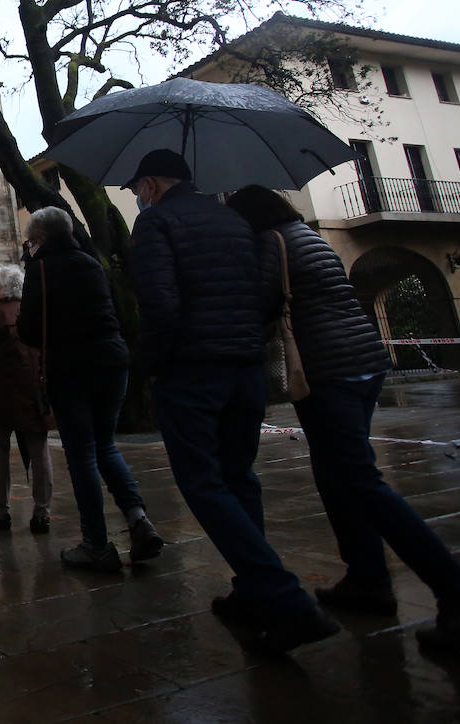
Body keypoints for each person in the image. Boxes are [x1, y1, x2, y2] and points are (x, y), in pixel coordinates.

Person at [228, 184, 460, 652]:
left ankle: (458, 592)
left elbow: (257, 306)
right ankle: (367, 579)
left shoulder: (270, 243)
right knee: (337, 474)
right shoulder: (308, 236)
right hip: (363, 362)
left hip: (328, 370)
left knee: (360, 481)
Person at [126, 150, 336, 654]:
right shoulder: (236, 220)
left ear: (151, 184)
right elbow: (264, 294)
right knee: (239, 477)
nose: (136, 197)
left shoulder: (155, 224)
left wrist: (153, 364)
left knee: (203, 483)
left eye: (137, 189)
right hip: (246, 367)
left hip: (192, 369)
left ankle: (287, 600)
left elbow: (159, 303)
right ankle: (251, 590)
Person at [19, 207, 161, 570]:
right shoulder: (90, 261)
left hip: (71, 369)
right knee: (105, 445)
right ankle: (138, 519)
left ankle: (96, 543)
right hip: (112, 362)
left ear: (42, 239)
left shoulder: (41, 269)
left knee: (81, 454)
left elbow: (30, 330)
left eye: (32, 240)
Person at [0, 264, 53, 534]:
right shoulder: (36, 312)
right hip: (34, 391)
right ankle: (42, 512)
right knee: (40, 450)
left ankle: (1, 511)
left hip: (0, 395)